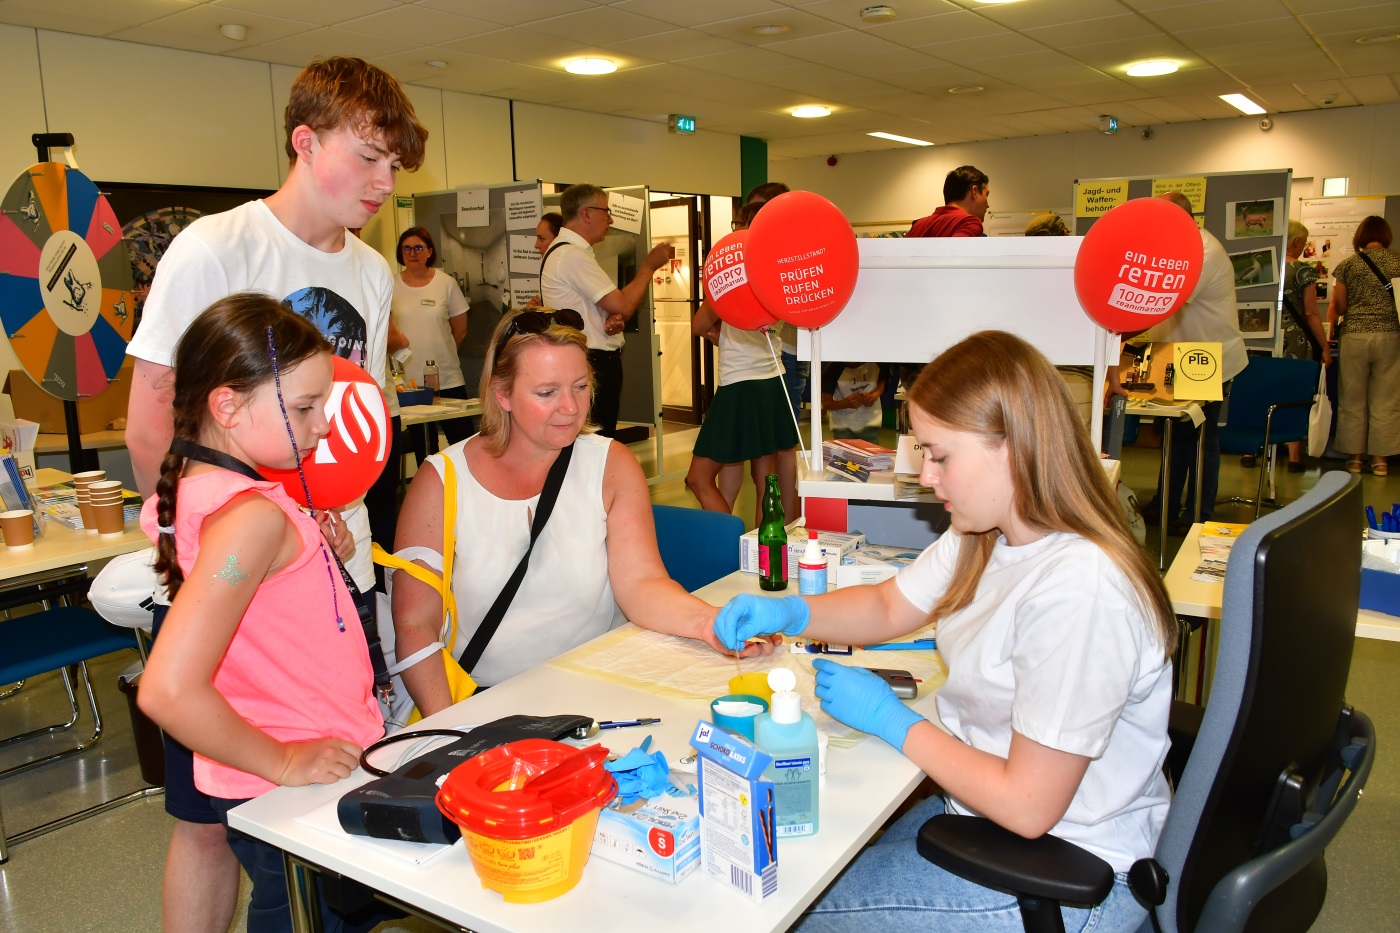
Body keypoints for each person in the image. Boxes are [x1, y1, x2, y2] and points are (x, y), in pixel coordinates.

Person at [712, 330, 1176, 933]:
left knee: (791, 911)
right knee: (817, 861)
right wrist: (793, 613)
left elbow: (1028, 806)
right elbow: (887, 607)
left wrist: (892, 720)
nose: (925, 476)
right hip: (991, 822)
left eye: (939, 454)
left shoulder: (1079, 588)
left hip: (1067, 872)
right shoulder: (987, 529)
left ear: (1012, 447)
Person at [122, 56, 425, 933]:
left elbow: (350, 421)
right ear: (305, 139)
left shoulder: (370, 273)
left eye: (395, 166)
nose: (384, 182)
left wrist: (322, 522)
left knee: (322, 788)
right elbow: (151, 424)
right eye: (368, 158)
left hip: (331, 561)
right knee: (213, 817)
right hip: (232, 576)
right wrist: (203, 551)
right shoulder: (217, 248)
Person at [138, 297, 386, 933]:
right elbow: (168, 689)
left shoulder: (221, 497)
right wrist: (283, 761)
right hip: (289, 781)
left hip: (293, 763)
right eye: (304, 408)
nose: (324, 425)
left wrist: (317, 555)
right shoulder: (248, 519)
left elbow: (254, 603)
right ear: (227, 406)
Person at [390, 308, 773, 717]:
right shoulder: (442, 481)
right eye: (546, 392)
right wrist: (446, 725)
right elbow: (416, 625)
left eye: (580, 386)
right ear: (502, 394)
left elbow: (641, 583)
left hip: (595, 685)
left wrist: (710, 623)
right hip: (486, 700)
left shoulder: (610, 464)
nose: (571, 408)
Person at [1124, 191, 1247, 535]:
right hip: (1184, 355)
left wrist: (1119, 333)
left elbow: (1164, 302)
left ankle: (1200, 514)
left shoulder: (1203, 252)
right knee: (1177, 435)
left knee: (1201, 439)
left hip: (1209, 358)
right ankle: (1165, 504)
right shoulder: (1177, 245)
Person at [686, 205, 797, 527]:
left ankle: (730, 541)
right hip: (772, 379)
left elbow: (698, 324)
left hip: (739, 385)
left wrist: (716, 324)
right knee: (766, 481)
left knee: (698, 478)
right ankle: (765, 554)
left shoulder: (734, 277)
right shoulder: (776, 272)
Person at [540, 183, 674, 436]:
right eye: (606, 211)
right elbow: (623, 305)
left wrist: (608, 320)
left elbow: (605, 309)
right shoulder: (571, 255)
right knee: (596, 441)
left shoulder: (570, 253)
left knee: (593, 440)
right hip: (591, 362)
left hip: (586, 357)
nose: (610, 219)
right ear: (587, 213)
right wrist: (648, 266)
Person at [1328, 215, 1400, 476]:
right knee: (1386, 399)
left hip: (1355, 336)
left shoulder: (1348, 265)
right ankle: (1380, 460)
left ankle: (1355, 459)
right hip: (1390, 336)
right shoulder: (1399, 261)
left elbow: (1341, 306)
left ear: (1360, 237)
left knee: (1352, 398)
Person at [393, 226, 472, 461]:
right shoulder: (390, 284)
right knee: (423, 447)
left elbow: (461, 328)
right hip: (409, 382)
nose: (412, 253)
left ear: (429, 251)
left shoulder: (446, 283)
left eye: (418, 247)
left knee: (462, 441)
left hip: (447, 376)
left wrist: (443, 355)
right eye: (406, 248)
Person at [1277, 219, 1331, 472]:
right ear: (1297, 242)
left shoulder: (1269, 266)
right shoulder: (1303, 271)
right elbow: (1311, 313)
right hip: (1295, 339)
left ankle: (1250, 450)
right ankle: (1294, 456)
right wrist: (1324, 345)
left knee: (1264, 388)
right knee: (1294, 393)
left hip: (1266, 336)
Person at [907, 166, 990, 238]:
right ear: (974, 191)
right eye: (986, 195)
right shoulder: (969, 223)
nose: (987, 205)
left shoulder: (918, 225)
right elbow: (953, 253)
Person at [821, 361, 891, 443]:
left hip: (870, 421)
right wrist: (845, 404)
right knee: (845, 453)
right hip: (842, 424)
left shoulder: (878, 363)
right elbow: (826, 403)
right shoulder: (832, 369)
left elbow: (882, 380)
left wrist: (874, 395)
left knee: (870, 453)